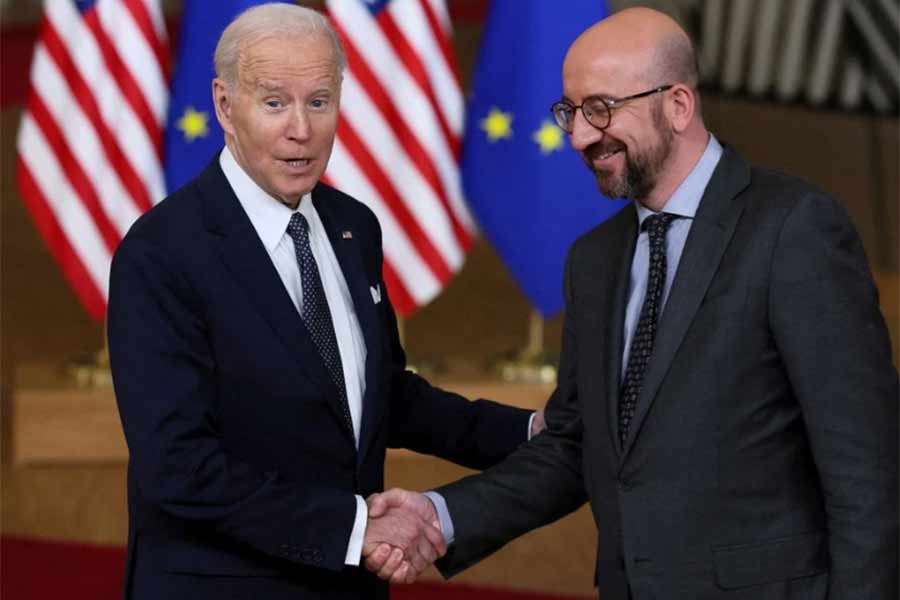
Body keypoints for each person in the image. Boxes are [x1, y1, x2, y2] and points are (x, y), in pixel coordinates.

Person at [363, 7, 899, 599]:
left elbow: (867, 472)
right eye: (570, 112)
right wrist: (438, 517)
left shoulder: (794, 229)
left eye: (601, 108)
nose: (580, 136)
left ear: (678, 105)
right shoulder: (593, 261)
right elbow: (576, 444)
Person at [107, 4, 543, 599]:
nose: (302, 130)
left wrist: (529, 431)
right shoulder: (161, 253)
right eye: (274, 102)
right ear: (224, 105)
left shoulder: (352, 227)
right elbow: (177, 468)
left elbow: (383, 394)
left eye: (319, 101)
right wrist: (357, 528)